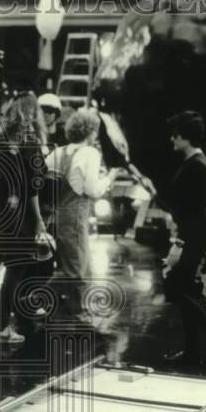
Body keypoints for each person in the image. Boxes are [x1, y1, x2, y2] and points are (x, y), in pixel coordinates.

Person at [0, 94, 52, 346]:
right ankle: (2, 325)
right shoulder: (31, 143)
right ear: (33, 115)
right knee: (15, 270)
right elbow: (34, 189)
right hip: (18, 218)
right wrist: (39, 220)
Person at [44, 108, 120, 319]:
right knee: (77, 268)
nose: (95, 136)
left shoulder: (58, 152)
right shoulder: (91, 153)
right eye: (95, 131)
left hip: (54, 214)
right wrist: (110, 178)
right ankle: (35, 297)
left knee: (72, 263)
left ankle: (78, 308)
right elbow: (92, 190)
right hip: (75, 214)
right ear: (90, 132)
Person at [161, 110, 206, 364]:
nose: (172, 139)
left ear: (186, 137)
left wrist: (179, 243)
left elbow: (192, 209)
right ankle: (194, 349)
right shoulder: (192, 162)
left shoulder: (198, 166)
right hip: (192, 232)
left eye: (175, 135)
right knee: (180, 288)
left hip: (195, 234)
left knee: (176, 287)